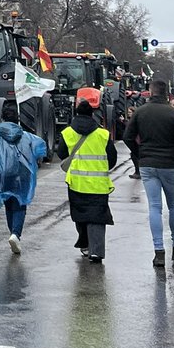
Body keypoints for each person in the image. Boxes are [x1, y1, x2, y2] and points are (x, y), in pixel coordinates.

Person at [124, 78, 174, 267]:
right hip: (171, 164)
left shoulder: (140, 113)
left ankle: (159, 252)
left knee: (154, 207)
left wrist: (140, 154)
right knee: (173, 206)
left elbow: (127, 137)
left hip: (148, 165)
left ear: (150, 91)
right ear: (166, 93)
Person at [0, 101, 47, 255]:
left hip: (2, 175)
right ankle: (16, 234)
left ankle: (13, 234)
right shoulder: (28, 137)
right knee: (20, 204)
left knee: (9, 204)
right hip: (22, 174)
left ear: (2, 118)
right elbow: (41, 149)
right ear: (18, 119)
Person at [55, 89, 117, 264]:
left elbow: (61, 154)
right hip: (99, 184)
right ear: (92, 115)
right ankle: (96, 251)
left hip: (76, 183)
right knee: (98, 216)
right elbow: (112, 158)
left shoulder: (67, 133)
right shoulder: (103, 134)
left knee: (80, 214)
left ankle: (84, 245)